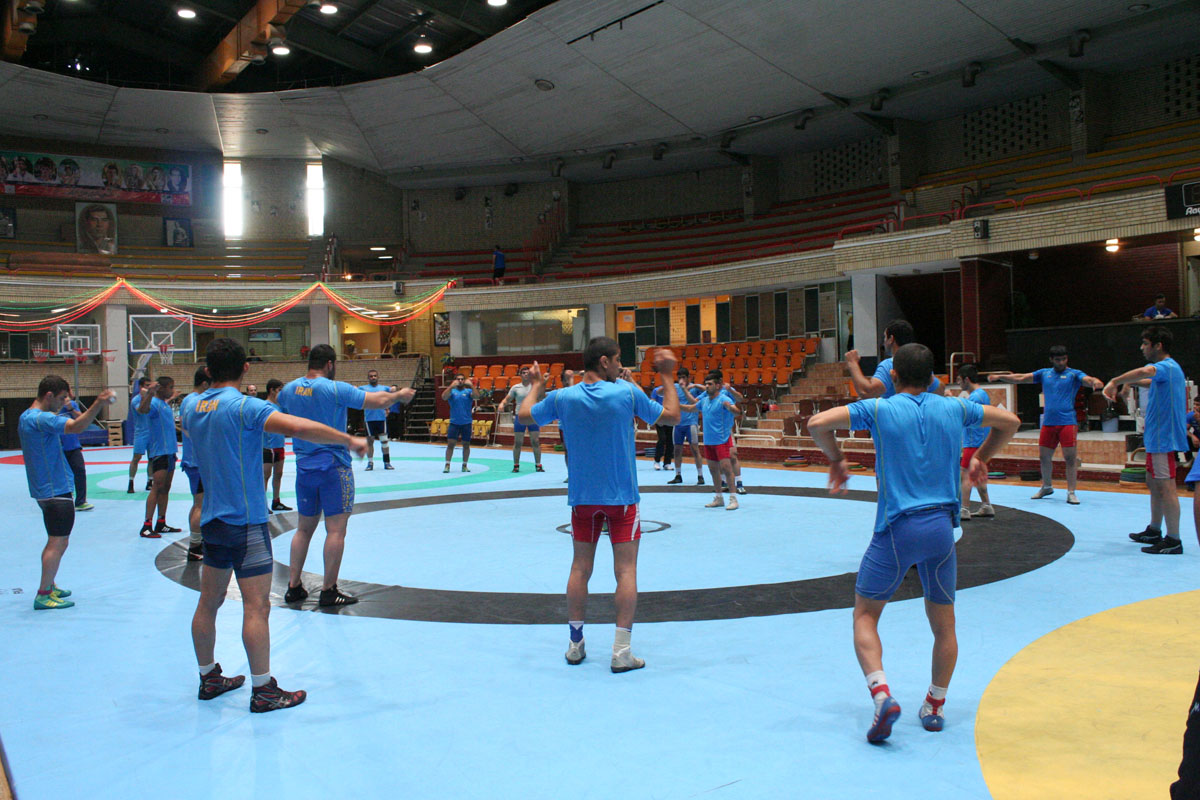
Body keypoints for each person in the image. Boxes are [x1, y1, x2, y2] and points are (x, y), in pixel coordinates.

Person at [808, 343, 1019, 742]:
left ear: (894, 377)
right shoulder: (954, 407)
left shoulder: (880, 409)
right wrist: (983, 457)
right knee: (944, 626)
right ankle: (935, 705)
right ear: (933, 377)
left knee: (865, 616)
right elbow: (1010, 421)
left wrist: (836, 459)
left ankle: (881, 695)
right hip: (941, 531)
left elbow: (817, 423)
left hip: (897, 530)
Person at [183, 338, 369, 713]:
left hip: (212, 520)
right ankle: (263, 689)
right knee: (256, 607)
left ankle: (208, 677)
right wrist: (346, 438)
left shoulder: (190, 405)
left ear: (207, 369)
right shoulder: (245, 407)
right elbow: (300, 427)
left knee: (208, 601)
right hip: (246, 522)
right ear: (245, 367)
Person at [519, 338, 680, 672]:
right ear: (604, 361)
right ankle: (621, 651)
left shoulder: (564, 397)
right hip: (622, 499)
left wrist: (535, 386)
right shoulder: (626, 393)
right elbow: (672, 417)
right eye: (618, 360)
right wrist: (667, 375)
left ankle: (575, 645)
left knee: (580, 568)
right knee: (626, 571)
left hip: (582, 499)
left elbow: (524, 416)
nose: (621, 366)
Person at [278, 344, 414, 607]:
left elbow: (281, 415)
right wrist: (399, 395)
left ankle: (293, 587)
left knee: (303, 529)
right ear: (330, 364)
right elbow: (377, 401)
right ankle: (329, 590)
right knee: (336, 530)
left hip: (304, 466)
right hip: (333, 466)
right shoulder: (334, 388)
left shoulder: (289, 389)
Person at [20, 376, 114, 610]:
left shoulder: (26, 417)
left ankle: (49, 584)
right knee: (57, 542)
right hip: (55, 490)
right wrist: (98, 403)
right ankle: (43, 593)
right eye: (62, 398)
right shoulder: (41, 418)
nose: (64, 403)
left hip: (44, 489)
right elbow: (76, 427)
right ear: (49, 395)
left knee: (56, 540)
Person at [1105, 326, 1189, 554]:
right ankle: (1154, 529)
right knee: (1154, 484)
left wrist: (1115, 381)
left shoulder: (1167, 366)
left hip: (1163, 438)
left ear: (1158, 346)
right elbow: (1148, 380)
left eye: (1145, 344)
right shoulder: (1166, 373)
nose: (1141, 348)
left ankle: (1174, 540)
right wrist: (1129, 383)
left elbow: (1145, 372)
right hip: (1155, 437)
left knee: (1166, 487)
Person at [994, 346, 1103, 504]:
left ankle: (1071, 492)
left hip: (1067, 423)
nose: (1061, 362)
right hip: (1049, 423)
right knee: (1044, 457)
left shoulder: (1074, 374)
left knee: (1070, 458)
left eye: (1064, 359)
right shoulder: (1044, 374)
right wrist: (999, 377)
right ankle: (1046, 486)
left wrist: (1095, 382)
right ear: (1051, 360)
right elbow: (1021, 378)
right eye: (1058, 360)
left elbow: (1088, 380)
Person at [682, 371, 742, 510]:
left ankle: (733, 498)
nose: (707, 386)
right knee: (713, 470)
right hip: (708, 441)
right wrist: (676, 406)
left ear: (718, 385)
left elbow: (736, 411)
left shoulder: (723, 399)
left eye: (710, 384)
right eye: (706, 384)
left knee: (726, 469)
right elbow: (691, 408)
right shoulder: (704, 400)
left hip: (721, 440)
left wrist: (731, 408)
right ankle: (719, 497)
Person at [845, 319, 943, 399]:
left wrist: (852, 363)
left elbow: (866, 392)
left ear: (891, 339)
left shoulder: (889, 365)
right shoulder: (920, 362)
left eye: (885, 337)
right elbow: (940, 389)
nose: (884, 342)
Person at [137, 376, 181, 538]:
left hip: (170, 452)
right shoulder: (154, 403)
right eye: (170, 387)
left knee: (166, 488)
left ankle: (161, 522)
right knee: (157, 487)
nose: (172, 390)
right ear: (161, 389)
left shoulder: (164, 404)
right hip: (159, 452)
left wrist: (171, 397)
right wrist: (150, 392)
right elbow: (142, 410)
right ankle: (146, 525)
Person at [180, 368, 212, 561]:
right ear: (205, 384)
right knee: (200, 504)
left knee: (201, 504)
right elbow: (188, 428)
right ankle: (195, 547)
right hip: (197, 462)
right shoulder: (196, 402)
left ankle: (198, 543)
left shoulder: (189, 400)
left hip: (195, 461)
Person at [956, 365, 994, 520]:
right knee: (977, 474)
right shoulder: (982, 394)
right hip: (980, 442)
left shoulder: (974, 398)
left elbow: (965, 417)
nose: (958, 383)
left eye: (959, 379)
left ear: (966, 379)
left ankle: (964, 508)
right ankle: (986, 505)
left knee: (965, 475)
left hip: (973, 443)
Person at [666, 367, 706, 485]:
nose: (681, 380)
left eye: (683, 377)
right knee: (677, 450)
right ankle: (678, 475)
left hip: (691, 423)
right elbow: (662, 391)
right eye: (679, 378)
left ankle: (700, 475)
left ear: (689, 377)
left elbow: (707, 391)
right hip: (678, 423)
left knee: (695, 449)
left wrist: (695, 385)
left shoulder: (694, 388)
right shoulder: (676, 387)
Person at [501, 366, 544, 472]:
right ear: (520, 375)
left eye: (527, 373)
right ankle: (516, 465)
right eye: (523, 373)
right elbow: (507, 399)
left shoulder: (534, 387)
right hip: (520, 417)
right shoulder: (516, 388)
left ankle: (538, 465)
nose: (525, 374)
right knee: (518, 442)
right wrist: (502, 404)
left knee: (535, 441)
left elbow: (542, 398)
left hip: (532, 417)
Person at [57, 387, 92, 511]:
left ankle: (81, 501)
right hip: (58, 446)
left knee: (80, 471)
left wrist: (71, 409)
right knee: (62, 474)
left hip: (73, 444)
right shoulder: (52, 407)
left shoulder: (72, 405)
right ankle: (62, 500)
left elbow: (81, 419)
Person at [262, 379, 290, 512]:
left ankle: (276, 501)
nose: (281, 393)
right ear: (272, 390)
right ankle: (262, 504)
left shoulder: (281, 407)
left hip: (279, 445)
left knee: (278, 474)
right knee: (265, 476)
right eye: (279, 390)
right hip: (267, 447)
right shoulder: (264, 406)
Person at [442, 373, 477, 473]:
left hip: (466, 423)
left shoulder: (469, 391)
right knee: (450, 444)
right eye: (458, 379)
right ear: (455, 380)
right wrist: (450, 386)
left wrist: (472, 386)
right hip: (454, 423)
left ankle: (464, 465)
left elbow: (477, 396)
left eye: (462, 379)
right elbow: (444, 397)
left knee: (466, 444)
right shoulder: (452, 392)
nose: (460, 381)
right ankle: (447, 465)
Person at [360, 369, 394, 471]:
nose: (373, 377)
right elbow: (354, 392)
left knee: (384, 441)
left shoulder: (384, 388)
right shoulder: (363, 388)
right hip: (369, 419)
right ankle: (370, 463)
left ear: (378, 377)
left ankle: (387, 462)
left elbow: (393, 391)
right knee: (370, 442)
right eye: (371, 376)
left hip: (381, 419)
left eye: (375, 376)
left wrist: (394, 388)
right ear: (368, 378)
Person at [127, 376, 152, 493]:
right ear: (141, 387)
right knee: (136, 457)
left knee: (152, 458)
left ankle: (150, 481)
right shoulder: (136, 400)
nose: (148, 388)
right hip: (141, 432)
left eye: (150, 385)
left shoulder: (152, 399)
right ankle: (131, 481)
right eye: (147, 385)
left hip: (152, 433)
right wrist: (143, 397)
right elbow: (140, 410)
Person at [649, 379, 674, 472]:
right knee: (662, 438)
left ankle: (667, 462)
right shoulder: (656, 391)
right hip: (659, 418)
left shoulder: (672, 392)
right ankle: (657, 461)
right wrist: (654, 418)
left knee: (670, 441)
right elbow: (652, 404)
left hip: (669, 418)